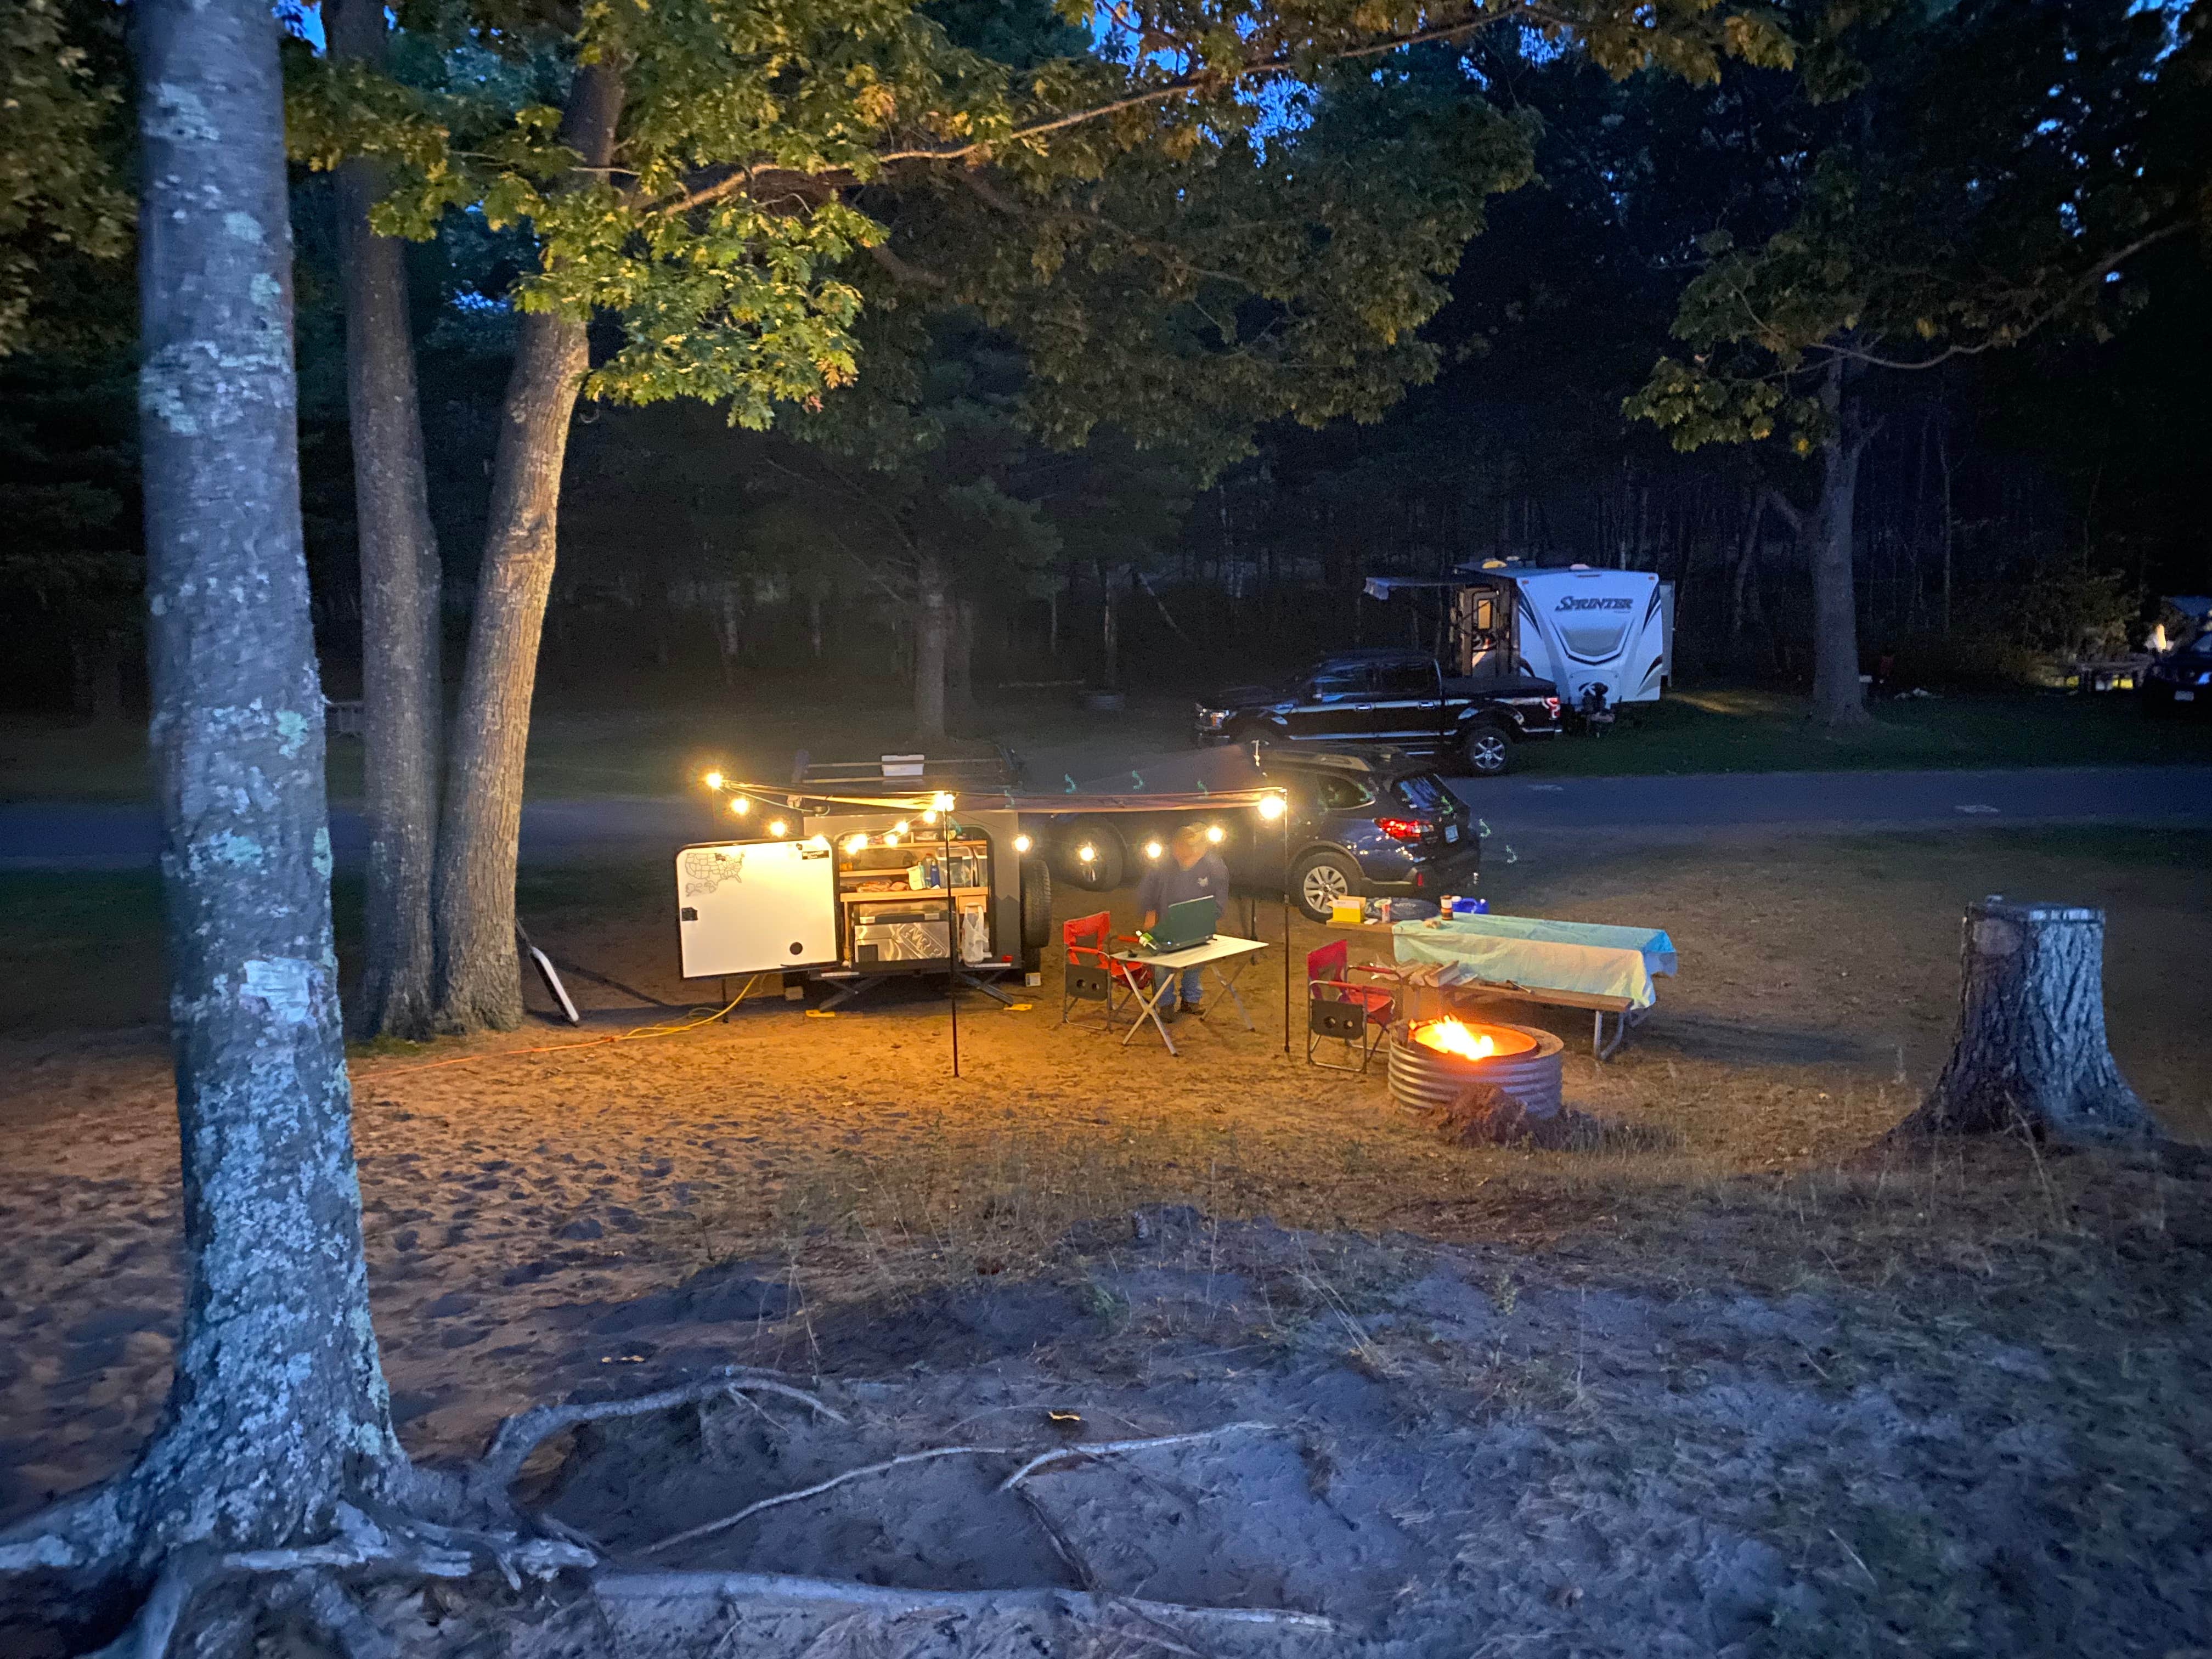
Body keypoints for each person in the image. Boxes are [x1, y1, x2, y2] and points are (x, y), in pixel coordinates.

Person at [1137, 824, 1231, 1017]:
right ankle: (1165, 1004)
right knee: (1162, 965)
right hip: (1164, 925)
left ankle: (1191, 999)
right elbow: (1147, 891)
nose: (1182, 853)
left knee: (1195, 962)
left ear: (1201, 849)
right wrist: (1149, 913)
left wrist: (1206, 918)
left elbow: (1219, 902)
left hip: (1197, 927)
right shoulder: (1162, 865)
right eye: (1179, 847)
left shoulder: (1215, 867)